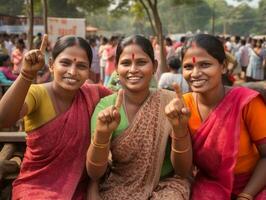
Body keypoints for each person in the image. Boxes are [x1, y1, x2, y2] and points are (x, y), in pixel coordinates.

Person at [0, 35, 111, 199]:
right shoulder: (37, 93)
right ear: (51, 65)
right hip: (35, 187)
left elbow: (127, 100)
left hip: (79, 188)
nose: (72, 72)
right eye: (65, 63)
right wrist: (26, 74)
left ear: (89, 71)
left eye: (81, 66)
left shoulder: (95, 93)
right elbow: (4, 120)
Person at [86, 35, 192, 200]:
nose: (133, 69)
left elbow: (183, 171)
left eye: (141, 62)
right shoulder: (105, 108)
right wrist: (101, 135)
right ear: (116, 68)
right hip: (118, 186)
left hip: (165, 186)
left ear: (154, 66)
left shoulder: (172, 103)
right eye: (126, 63)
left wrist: (179, 131)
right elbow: (94, 172)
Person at [179, 34, 266, 200]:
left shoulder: (246, 102)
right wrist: (178, 129)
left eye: (205, 65)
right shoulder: (183, 106)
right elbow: (183, 170)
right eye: (188, 67)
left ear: (224, 66)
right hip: (211, 186)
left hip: (255, 184)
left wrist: (246, 196)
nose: (195, 73)